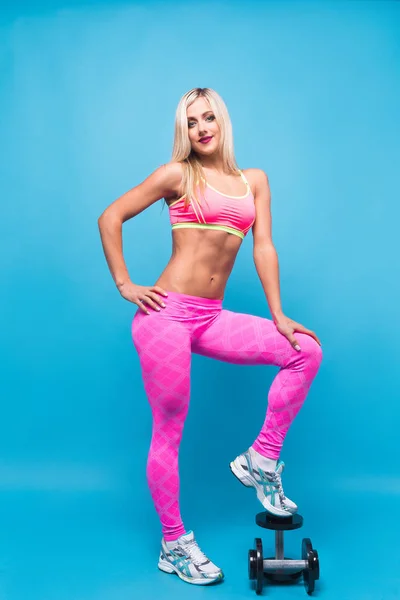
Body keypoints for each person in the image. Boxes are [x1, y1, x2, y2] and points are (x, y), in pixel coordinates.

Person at [98, 87, 323, 587]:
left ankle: (262, 459)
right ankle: (174, 542)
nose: (201, 128)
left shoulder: (254, 182)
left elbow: (263, 248)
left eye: (208, 118)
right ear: (185, 131)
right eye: (192, 122)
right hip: (165, 317)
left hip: (211, 316)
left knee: (304, 351)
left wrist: (279, 314)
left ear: (222, 122)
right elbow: (109, 217)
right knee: (170, 427)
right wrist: (125, 284)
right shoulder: (178, 174)